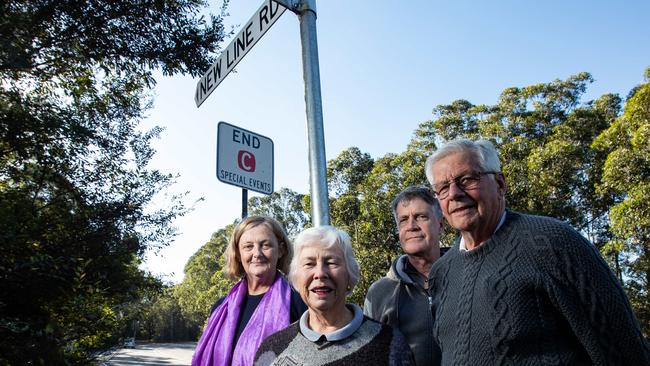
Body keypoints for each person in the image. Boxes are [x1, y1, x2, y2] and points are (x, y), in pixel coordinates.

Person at [425, 139, 650, 365]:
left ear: (500, 184)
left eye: (467, 179)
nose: (454, 193)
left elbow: (625, 353)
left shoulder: (552, 242)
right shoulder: (442, 272)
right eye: (442, 188)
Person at [254, 226, 415, 366]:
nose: (320, 273)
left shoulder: (389, 344)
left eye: (331, 262)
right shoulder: (272, 349)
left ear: (349, 276)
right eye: (309, 264)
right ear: (296, 277)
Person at [192, 215, 306, 366]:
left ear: (281, 250)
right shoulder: (220, 309)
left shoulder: (298, 304)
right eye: (248, 246)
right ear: (238, 254)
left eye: (265, 245)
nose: (257, 253)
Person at [363, 186, 443, 366]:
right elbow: (370, 354)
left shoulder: (465, 275)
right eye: (403, 220)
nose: (411, 226)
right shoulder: (379, 292)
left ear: (440, 225)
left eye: (421, 217)